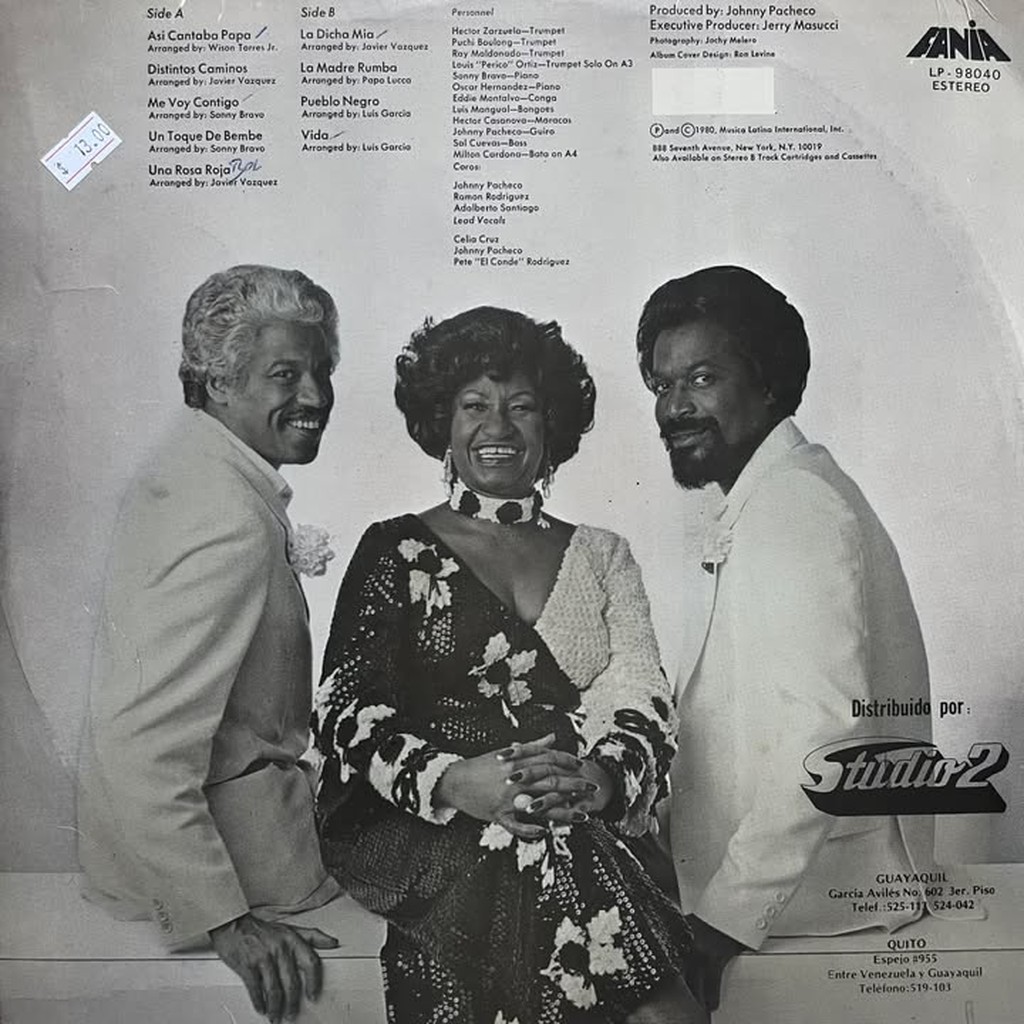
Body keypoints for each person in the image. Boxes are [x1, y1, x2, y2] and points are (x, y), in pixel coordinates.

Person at [312, 307, 707, 1024]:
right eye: (474, 405)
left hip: (572, 808)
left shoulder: (603, 554)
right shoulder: (393, 549)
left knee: (566, 856)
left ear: (551, 424)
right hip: (425, 819)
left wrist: (600, 777)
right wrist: (452, 781)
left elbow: (640, 688)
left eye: (521, 406)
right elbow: (345, 705)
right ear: (442, 420)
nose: (497, 425)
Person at [636, 265, 959, 1011]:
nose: (675, 407)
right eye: (662, 384)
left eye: (703, 378)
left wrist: (721, 923)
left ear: (770, 383)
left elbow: (825, 735)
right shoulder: (776, 490)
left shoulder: (797, 504)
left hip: (819, 907)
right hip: (788, 894)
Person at [78, 265, 343, 1024]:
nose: (316, 395)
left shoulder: (196, 471)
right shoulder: (222, 511)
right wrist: (226, 923)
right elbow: (140, 744)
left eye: (321, 370)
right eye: (285, 374)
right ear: (219, 382)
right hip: (250, 878)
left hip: (182, 865)